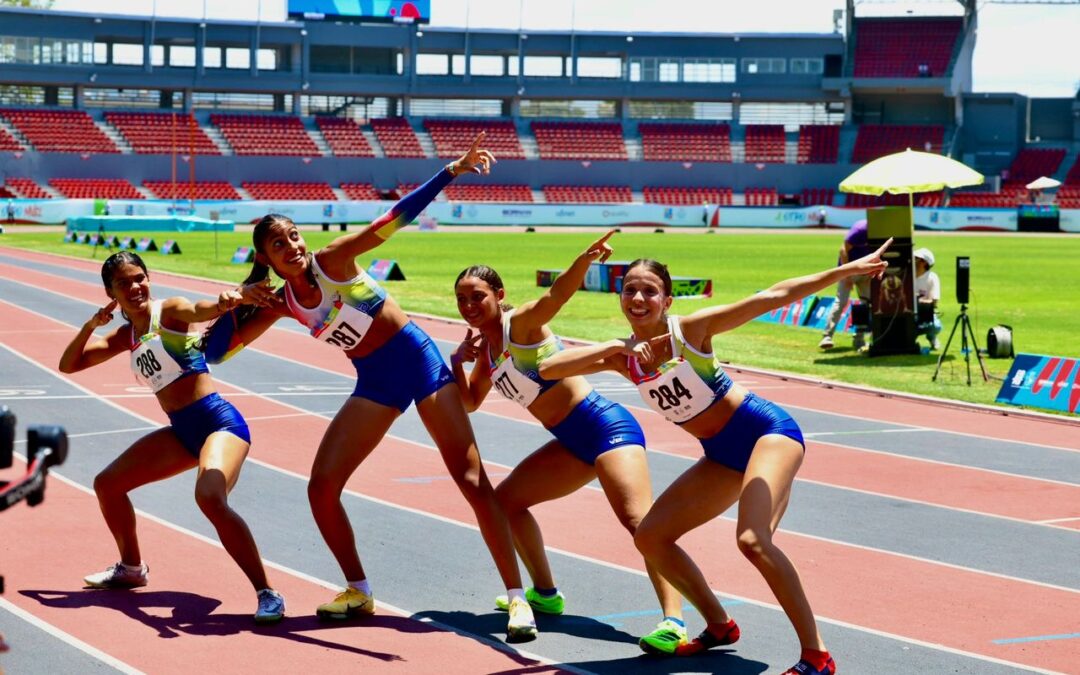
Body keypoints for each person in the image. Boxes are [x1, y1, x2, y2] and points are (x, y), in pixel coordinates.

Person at [211, 134, 538, 641]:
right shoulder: (280, 302)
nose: (292, 247)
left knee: (471, 480)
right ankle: (358, 589)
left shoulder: (332, 260)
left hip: (419, 362)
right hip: (376, 381)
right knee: (321, 486)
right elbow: (216, 352)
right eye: (279, 245)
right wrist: (234, 300)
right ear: (265, 258)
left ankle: (518, 600)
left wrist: (451, 170)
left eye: (294, 236)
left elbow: (392, 220)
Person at [537, 241, 891, 674]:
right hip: (721, 455)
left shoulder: (690, 332)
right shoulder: (623, 357)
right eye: (630, 290)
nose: (638, 299)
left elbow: (773, 296)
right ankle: (720, 625)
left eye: (649, 291)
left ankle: (818, 656)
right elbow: (549, 369)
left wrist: (844, 272)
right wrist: (616, 347)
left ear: (667, 301)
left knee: (753, 540)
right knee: (651, 537)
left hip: (766, 434)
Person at [452, 232, 686, 653]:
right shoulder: (485, 353)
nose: (469, 306)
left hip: (606, 428)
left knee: (641, 525)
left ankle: (675, 621)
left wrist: (585, 259)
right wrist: (457, 362)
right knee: (505, 505)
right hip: (570, 442)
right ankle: (545, 594)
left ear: (499, 296)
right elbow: (468, 402)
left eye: (478, 297)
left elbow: (556, 295)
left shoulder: (521, 324)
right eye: (462, 299)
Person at [58, 251, 285, 624]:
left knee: (209, 497)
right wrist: (90, 325)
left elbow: (201, 309)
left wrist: (230, 300)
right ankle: (131, 568)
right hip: (182, 432)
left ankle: (268, 593)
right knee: (108, 485)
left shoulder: (170, 311)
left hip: (219, 424)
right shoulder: (126, 335)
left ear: (149, 278)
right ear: (110, 293)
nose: (135, 287)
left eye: (139, 278)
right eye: (123, 283)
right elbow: (69, 364)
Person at [818, 219, 872, 351]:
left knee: (868, 304)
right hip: (848, 269)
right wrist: (847, 274)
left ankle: (859, 338)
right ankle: (827, 336)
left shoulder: (882, 231)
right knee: (841, 302)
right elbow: (843, 250)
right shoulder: (860, 229)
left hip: (866, 271)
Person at [913, 247, 942, 350]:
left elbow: (934, 301)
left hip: (924, 315)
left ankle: (932, 337)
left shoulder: (932, 277)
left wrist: (917, 302)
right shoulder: (907, 275)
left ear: (924, 262)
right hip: (908, 314)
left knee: (935, 326)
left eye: (916, 258)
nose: (913, 260)